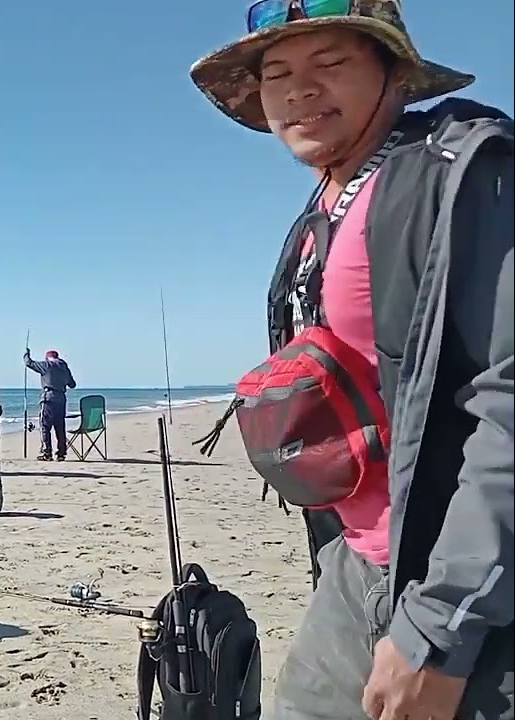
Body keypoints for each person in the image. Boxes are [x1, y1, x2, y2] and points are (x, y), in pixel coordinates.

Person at [189, 2, 513, 719]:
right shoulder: (324, 206)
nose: (299, 89)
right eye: (277, 74)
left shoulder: (462, 174)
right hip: (354, 566)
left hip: (464, 592)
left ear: (395, 74)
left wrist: (441, 625)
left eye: (330, 64)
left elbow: (508, 397)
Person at [23, 349, 76, 461]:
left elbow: (29, 363)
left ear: (47, 358)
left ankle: (47, 452)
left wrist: (26, 354)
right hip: (61, 399)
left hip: (48, 398)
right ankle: (61, 453)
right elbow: (72, 384)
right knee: (60, 427)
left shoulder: (47, 365)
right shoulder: (64, 368)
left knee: (45, 426)